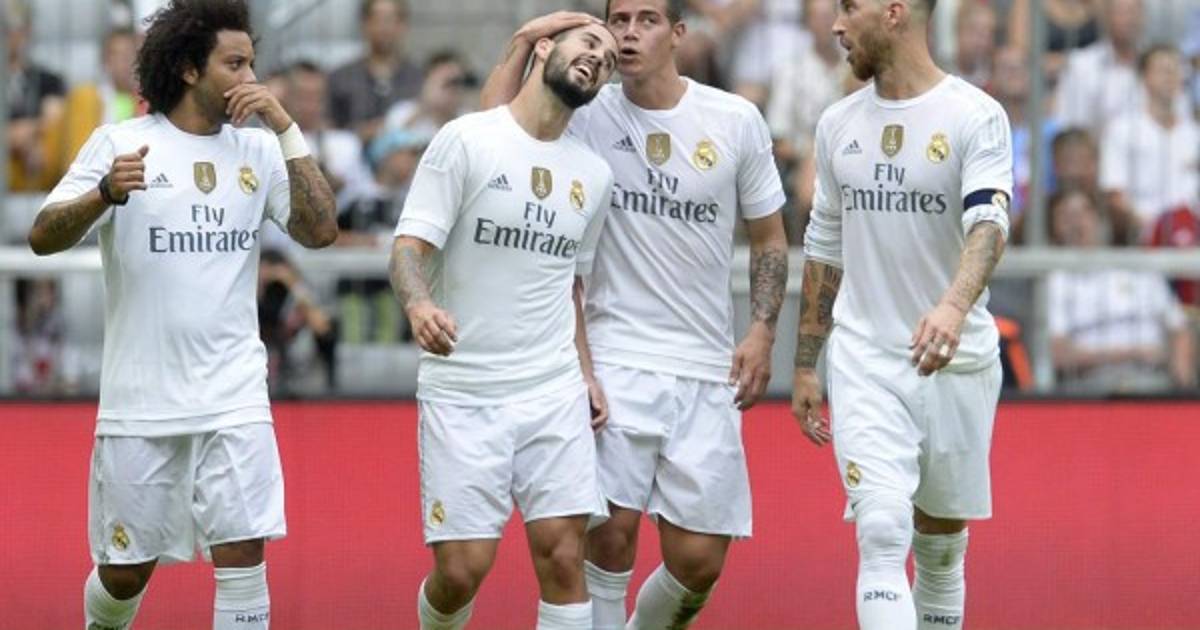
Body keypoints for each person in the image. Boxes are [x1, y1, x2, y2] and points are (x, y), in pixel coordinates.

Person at [25, 1, 338, 628]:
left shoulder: (258, 150)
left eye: (252, 62)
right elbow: (42, 236)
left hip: (235, 395)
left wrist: (286, 129)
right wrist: (103, 194)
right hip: (143, 401)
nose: (251, 77)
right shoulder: (121, 143)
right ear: (191, 69)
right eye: (235, 63)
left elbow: (321, 229)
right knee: (125, 573)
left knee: (243, 555)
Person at [481, 2, 790, 628]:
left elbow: (769, 238)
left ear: (678, 34)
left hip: (704, 361)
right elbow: (491, 133)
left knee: (699, 562)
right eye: (617, 20)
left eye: (646, 20)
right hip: (613, 354)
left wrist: (761, 330)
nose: (628, 33)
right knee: (609, 538)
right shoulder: (585, 113)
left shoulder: (734, 120)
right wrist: (528, 38)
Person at [388, 20, 618, 630]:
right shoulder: (466, 140)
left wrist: (586, 373)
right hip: (464, 391)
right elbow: (408, 249)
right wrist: (419, 305)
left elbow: (571, 284)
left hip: (552, 388)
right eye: (588, 43)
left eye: (609, 58)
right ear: (544, 48)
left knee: (564, 556)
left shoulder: (594, 174)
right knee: (463, 570)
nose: (599, 58)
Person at [790, 1, 1012, 629]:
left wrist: (952, 306)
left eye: (849, 7)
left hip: (955, 359)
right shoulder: (837, 123)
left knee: (940, 549)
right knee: (883, 527)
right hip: (866, 357)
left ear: (894, 12)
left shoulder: (975, 115)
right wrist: (805, 361)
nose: (837, 25)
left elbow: (990, 222)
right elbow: (824, 244)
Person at [327, 0, 423, 143]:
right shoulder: (340, 78)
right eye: (377, 20)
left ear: (403, 26)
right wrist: (360, 134)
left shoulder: (419, 78)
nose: (384, 28)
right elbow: (327, 130)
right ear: (364, 24)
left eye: (390, 20)